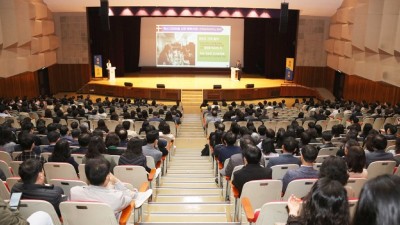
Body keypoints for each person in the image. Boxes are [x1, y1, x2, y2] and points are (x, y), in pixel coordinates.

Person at [70, 157, 138, 216]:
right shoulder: (117, 197)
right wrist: (116, 181)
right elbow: (132, 196)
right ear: (108, 177)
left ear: (87, 176)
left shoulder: (74, 191)